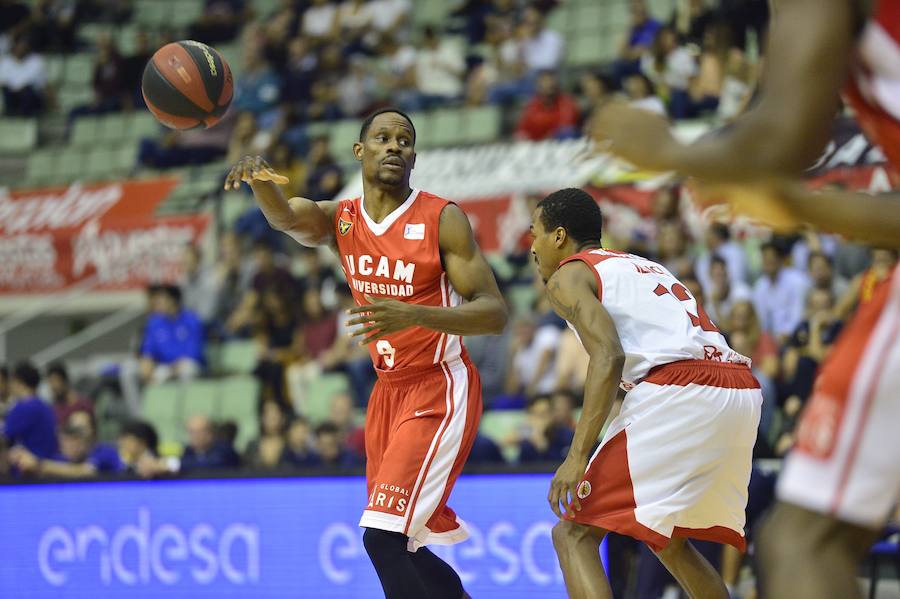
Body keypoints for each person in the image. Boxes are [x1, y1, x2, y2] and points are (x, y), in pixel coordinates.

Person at [592, 1, 900, 596]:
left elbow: (775, 139)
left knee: (800, 542)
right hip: (711, 417)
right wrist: (801, 205)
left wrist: (668, 149)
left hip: (700, 415)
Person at [224, 107, 508, 599]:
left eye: (404, 140)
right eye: (382, 137)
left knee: (382, 537)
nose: (394, 145)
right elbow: (287, 219)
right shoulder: (342, 219)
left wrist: (415, 315)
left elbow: (495, 313)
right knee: (403, 546)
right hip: (387, 393)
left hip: (439, 385)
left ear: (414, 158)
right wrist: (260, 181)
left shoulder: (443, 218)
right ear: (360, 151)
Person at [529, 188, 760, 599]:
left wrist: (577, 455)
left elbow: (608, 356)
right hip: (738, 387)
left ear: (560, 237)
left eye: (535, 235)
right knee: (666, 538)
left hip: (681, 390)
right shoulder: (640, 264)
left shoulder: (568, 274)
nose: (532, 248)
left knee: (572, 535)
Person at [9, 410, 123, 479]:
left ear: (93, 431)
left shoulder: (105, 453)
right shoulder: (58, 458)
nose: (77, 437)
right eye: (72, 431)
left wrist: (39, 465)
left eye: (82, 429)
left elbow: (84, 472)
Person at [139, 285, 205, 384]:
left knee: (187, 370)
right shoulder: (154, 322)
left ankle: (189, 399)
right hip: (164, 367)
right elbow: (149, 349)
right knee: (139, 372)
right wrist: (147, 361)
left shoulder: (192, 320)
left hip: (188, 365)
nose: (158, 303)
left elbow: (194, 352)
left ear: (172, 300)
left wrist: (173, 368)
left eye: (161, 299)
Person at [2, 362, 59, 461]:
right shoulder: (45, 406)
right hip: (49, 464)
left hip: (31, 468)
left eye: (12, 382)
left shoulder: (23, 407)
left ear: (19, 383)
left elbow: (3, 439)